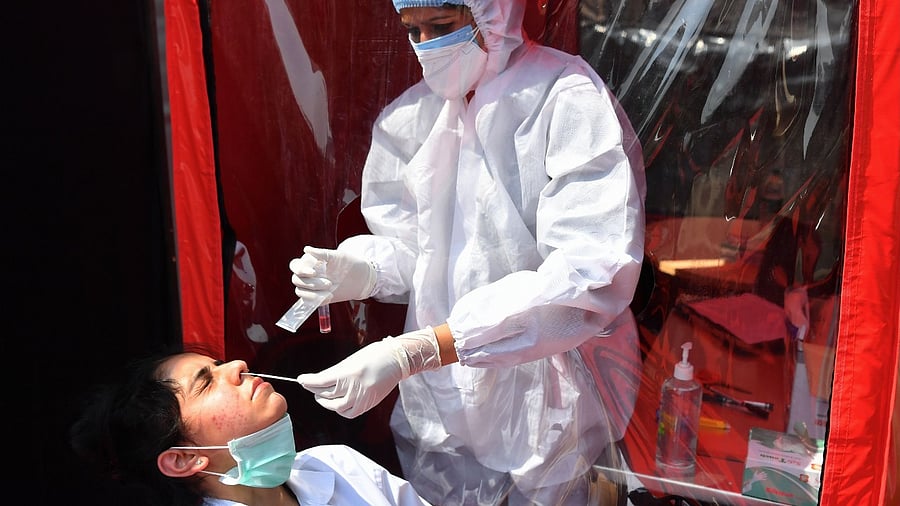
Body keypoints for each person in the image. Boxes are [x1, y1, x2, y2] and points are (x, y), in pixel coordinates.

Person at [289, 0, 646, 504]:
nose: (425, 46)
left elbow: (590, 271)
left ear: (492, 12)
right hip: (438, 390)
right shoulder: (408, 120)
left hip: (542, 388)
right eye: (412, 30)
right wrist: (364, 268)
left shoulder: (562, 97)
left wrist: (424, 347)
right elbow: (420, 251)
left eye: (441, 26)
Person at [69, 349, 432, 506]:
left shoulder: (336, 465)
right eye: (206, 382)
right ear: (182, 459)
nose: (238, 365)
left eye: (219, 363)